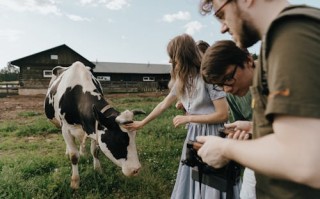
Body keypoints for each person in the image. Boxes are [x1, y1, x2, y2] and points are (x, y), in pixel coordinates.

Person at [196, 0, 320, 198]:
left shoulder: (291, 37)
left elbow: (305, 161)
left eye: (221, 14)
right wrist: (255, 127)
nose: (223, 27)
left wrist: (226, 148)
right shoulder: (280, 41)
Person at [125, 33, 241, 199]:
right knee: (193, 177)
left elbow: (222, 115)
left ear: (182, 55)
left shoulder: (208, 77)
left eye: (172, 56)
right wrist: (142, 123)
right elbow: (163, 104)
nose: (170, 61)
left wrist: (189, 118)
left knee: (214, 181)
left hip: (214, 134)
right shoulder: (182, 80)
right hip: (194, 135)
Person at [201, 40, 256, 199]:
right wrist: (248, 130)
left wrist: (228, 150)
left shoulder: (280, 78)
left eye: (229, 78)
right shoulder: (233, 93)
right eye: (220, 85)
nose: (227, 89)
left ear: (248, 60)